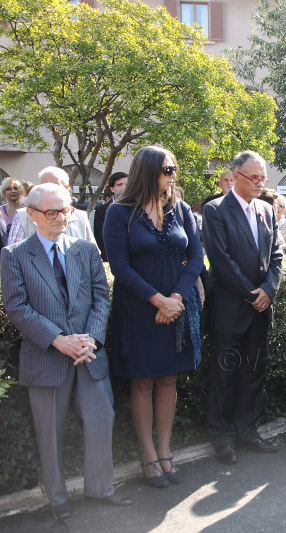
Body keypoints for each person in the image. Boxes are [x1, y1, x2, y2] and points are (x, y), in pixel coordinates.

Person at [1, 183, 131, 519]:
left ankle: (101, 490)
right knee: (50, 432)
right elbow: (17, 307)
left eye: (66, 210)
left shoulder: (85, 250)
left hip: (89, 354)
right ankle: (58, 501)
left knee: (101, 419)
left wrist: (91, 340)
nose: (61, 217)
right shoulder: (14, 255)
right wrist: (58, 340)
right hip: (46, 356)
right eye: (52, 212)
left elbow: (101, 297)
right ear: (32, 214)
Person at [104, 147, 203, 486]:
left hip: (176, 306)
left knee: (169, 380)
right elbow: (119, 266)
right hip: (138, 308)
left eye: (174, 169)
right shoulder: (119, 213)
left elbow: (196, 256)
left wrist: (175, 299)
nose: (173, 175)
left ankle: (165, 452)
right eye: (167, 170)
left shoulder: (181, 209)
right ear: (147, 171)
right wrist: (157, 300)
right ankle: (148, 456)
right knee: (143, 380)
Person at [202, 151, 284, 464]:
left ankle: (248, 431)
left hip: (260, 310)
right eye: (254, 177)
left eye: (263, 177)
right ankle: (222, 437)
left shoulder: (266, 209)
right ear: (236, 177)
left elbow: (277, 256)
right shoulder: (215, 210)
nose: (261, 183)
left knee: (253, 372)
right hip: (230, 308)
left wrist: (269, 290)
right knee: (224, 374)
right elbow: (221, 261)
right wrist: (252, 294)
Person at [7, 167, 96, 247]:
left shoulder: (80, 216)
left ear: (67, 188)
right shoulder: (23, 216)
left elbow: (92, 253)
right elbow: (14, 253)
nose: (50, 191)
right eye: (45, 186)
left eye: (55, 186)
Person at [92, 171, 128, 261]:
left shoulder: (138, 208)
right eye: (119, 185)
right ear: (112, 189)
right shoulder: (101, 210)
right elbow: (100, 238)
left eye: (126, 184)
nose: (123, 187)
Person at [0, 177, 25, 247]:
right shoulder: (1, 211)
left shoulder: (28, 210)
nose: (13, 191)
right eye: (8, 189)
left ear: (21, 190)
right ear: (4, 192)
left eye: (15, 188)